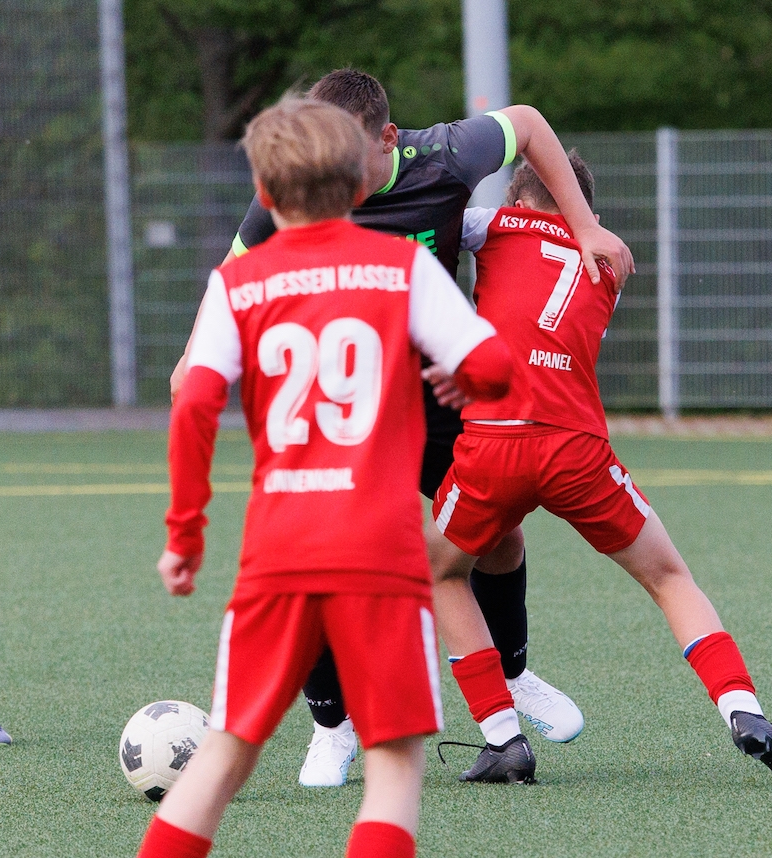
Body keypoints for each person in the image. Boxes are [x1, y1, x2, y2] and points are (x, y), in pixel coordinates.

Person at [77, 96, 512, 858]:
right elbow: (494, 370)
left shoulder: (238, 283)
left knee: (223, 755)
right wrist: (458, 373)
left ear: (265, 194)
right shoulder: (403, 267)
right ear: (359, 181)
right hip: (379, 555)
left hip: (277, 555)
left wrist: (185, 535)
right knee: (395, 765)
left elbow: (195, 400)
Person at [171, 69, 634, 787]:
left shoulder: (446, 156)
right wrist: (193, 357)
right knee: (322, 553)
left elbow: (530, 124)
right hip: (353, 403)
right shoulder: (299, 190)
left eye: (346, 155)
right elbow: (231, 270)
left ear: (386, 139)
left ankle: (511, 676)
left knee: (497, 534)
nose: (332, 172)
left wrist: (585, 226)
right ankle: (333, 727)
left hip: (437, 393)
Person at [427, 153, 772, 785]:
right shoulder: (611, 261)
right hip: (577, 447)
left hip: (496, 441)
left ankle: (502, 739)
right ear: (587, 214)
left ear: (519, 202)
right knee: (669, 577)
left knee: (443, 573)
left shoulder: (493, 224)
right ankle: (742, 709)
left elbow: (427, 216)